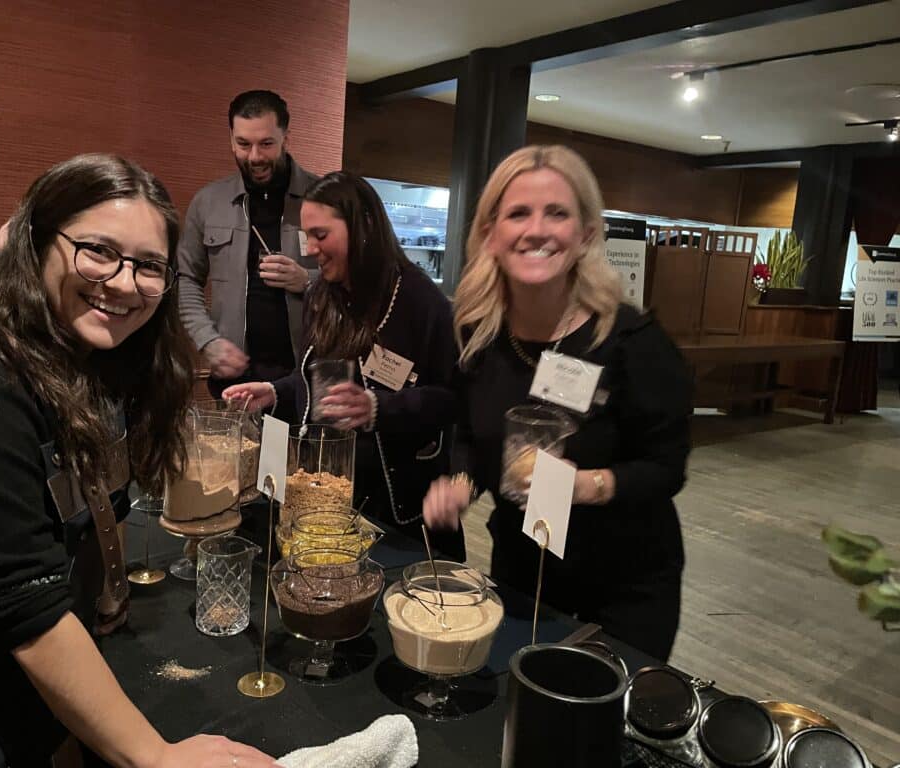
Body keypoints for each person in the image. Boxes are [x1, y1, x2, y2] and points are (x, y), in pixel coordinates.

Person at [0, 154, 278, 767]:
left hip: (21, 685)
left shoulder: (89, 364)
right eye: (97, 250)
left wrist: (106, 591)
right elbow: (26, 608)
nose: (122, 282)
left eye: (148, 266)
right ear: (36, 241)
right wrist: (155, 756)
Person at [422, 145, 691, 661]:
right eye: (518, 213)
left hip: (624, 586)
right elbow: (473, 437)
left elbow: (666, 469)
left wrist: (586, 486)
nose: (537, 230)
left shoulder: (634, 341)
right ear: (490, 234)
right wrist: (460, 483)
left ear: (586, 234)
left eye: (557, 213)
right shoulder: (478, 337)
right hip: (524, 573)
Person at [225, 172, 464, 559]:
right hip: (328, 497)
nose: (311, 249)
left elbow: (451, 399)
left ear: (364, 225)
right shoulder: (322, 295)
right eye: (308, 236)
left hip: (396, 508)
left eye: (322, 235)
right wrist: (274, 391)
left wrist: (377, 408)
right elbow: (314, 379)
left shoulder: (422, 302)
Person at [178, 89, 318, 396]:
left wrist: (308, 280)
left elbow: (360, 280)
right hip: (233, 384)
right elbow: (185, 280)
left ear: (286, 138)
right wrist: (207, 340)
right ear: (231, 139)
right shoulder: (207, 202)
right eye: (243, 144)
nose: (255, 157)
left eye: (266, 144)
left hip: (305, 382)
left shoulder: (325, 197)